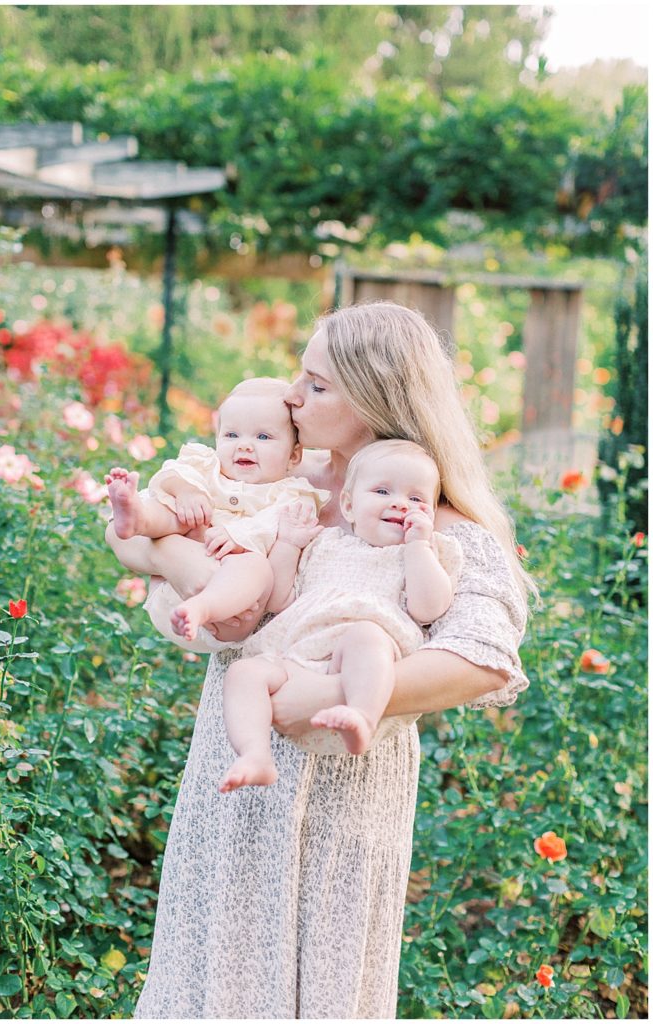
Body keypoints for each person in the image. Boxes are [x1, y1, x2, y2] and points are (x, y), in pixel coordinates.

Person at [133, 301, 532, 1020]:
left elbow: (483, 656)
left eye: (315, 385)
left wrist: (322, 693)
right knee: (209, 969)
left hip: (348, 780)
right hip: (234, 763)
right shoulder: (277, 488)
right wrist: (162, 553)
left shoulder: (430, 519)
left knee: (324, 979)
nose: (291, 396)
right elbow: (147, 536)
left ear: (375, 398)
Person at [219, 439, 463, 792]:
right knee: (244, 672)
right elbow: (277, 599)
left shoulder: (420, 554)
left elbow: (428, 609)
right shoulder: (324, 543)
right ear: (348, 505)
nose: (399, 503)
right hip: (298, 654)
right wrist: (288, 544)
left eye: (416, 499)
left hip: (361, 657)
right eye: (382, 490)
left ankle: (361, 716)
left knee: (365, 636)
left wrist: (419, 546)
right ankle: (254, 753)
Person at [104, 377, 329, 649]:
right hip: (169, 588)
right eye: (232, 435)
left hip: (228, 618)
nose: (244, 445)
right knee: (178, 510)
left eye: (263, 437)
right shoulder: (209, 468)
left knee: (256, 566)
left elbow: (271, 524)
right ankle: (138, 517)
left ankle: (202, 606)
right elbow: (176, 471)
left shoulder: (292, 494)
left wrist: (238, 535)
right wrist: (186, 490)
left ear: (294, 456)